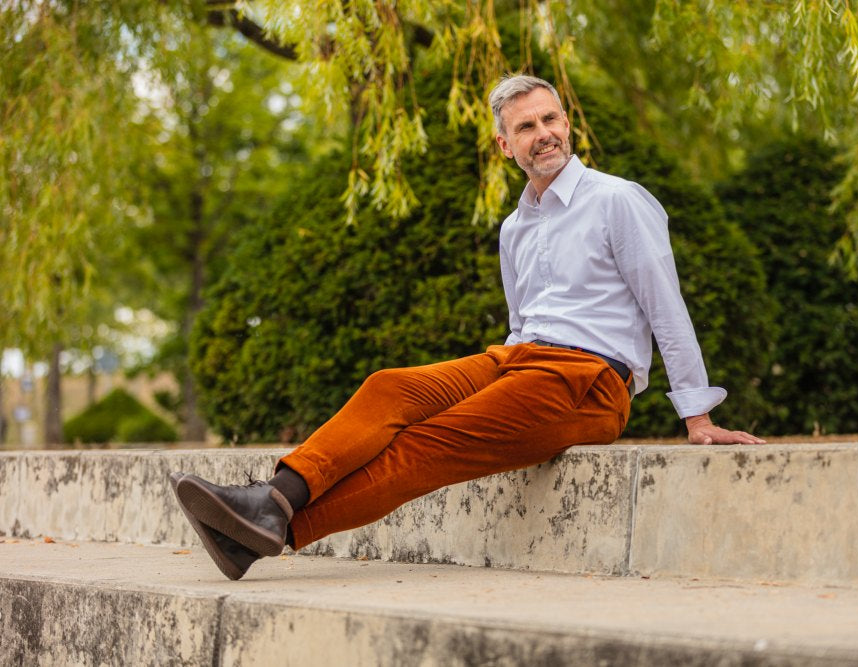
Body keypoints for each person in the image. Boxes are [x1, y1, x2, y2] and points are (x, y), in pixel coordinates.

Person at [171, 74, 764, 581]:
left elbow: (666, 303)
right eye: (526, 127)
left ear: (568, 123)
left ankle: (265, 530)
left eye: (550, 118)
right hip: (517, 358)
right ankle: (272, 502)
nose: (544, 133)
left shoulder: (618, 200)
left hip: (588, 381)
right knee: (389, 388)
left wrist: (697, 414)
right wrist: (495, 374)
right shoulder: (515, 228)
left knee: (425, 444)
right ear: (505, 145)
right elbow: (521, 322)